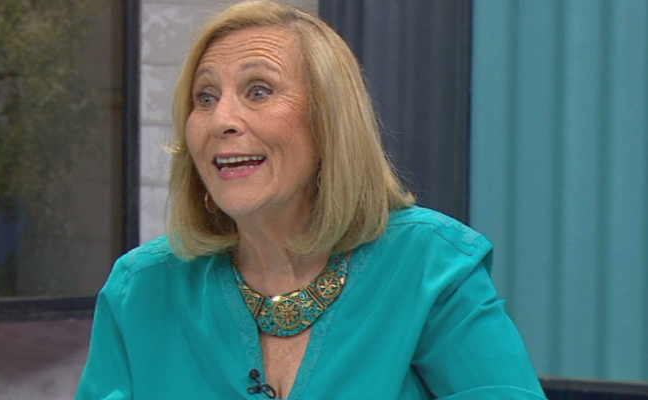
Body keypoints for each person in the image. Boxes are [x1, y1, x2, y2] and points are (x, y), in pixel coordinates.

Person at [75, 1, 547, 399]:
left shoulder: (430, 267)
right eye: (205, 97)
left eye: (258, 91)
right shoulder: (140, 290)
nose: (222, 120)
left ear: (328, 123)